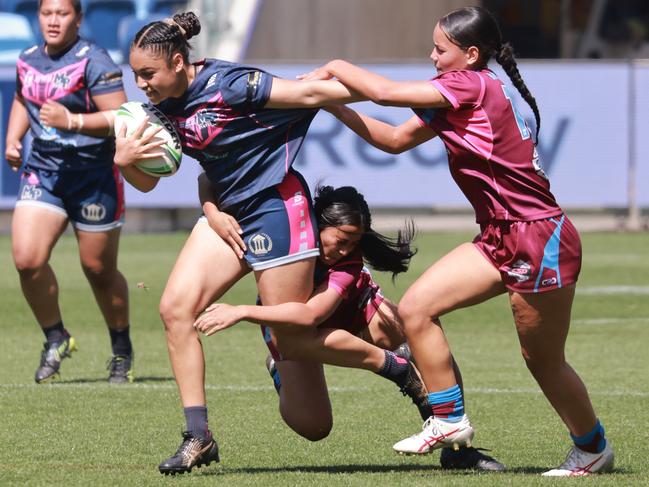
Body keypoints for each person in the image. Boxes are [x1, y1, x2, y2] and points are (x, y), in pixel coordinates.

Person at [298, 6, 613, 477]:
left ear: (470, 54)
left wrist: (333, 67)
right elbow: (391, 139)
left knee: (542, 360)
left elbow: (383, 94)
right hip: (499, 235)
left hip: (537, 237)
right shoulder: (464, 90)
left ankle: (592, 449)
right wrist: (328, 102)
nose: (431, 57)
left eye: (439, 50)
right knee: (417, 308)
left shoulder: (468, 84)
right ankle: (448, 420)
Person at [113, 12, 369, 476]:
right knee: (175, 309)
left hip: (276, 208)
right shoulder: (158, 109)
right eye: (135, 75)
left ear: (176, 61)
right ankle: (198, 436)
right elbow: (152, 184)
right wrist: (125, 161)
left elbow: (312, 93)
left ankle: (393, 365)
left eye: (147, 74)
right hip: (227, 216)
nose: (140, 84)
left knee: (311, 422)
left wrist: (407, 94)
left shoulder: (231, 84)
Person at [194, 183, 505, 472]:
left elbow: (311, 314)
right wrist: (211, 212)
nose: (347, 250)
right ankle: (282, 368)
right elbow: (208, 175)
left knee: (422, 340)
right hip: (294, 331)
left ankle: (457, 446)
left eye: (355, 243)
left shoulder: (348, 263)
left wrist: (238, 311)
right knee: (313, 427)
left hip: (347, 310)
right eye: (342, 241)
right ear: (318, 225)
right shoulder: (287, 239)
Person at [5, 0, 134, 384]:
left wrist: (72, 120)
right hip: (43, 172)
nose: (53, 21)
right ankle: (55, 336)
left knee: (98, 269)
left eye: (62, 14)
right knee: (27, 260)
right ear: (38, 17)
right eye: (47, 14)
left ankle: (121, 349)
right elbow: (21, 99)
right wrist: (13, 138)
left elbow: (121, 116)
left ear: (78, 18)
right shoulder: (28, 58)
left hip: (93, 176)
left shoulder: (94, 60)